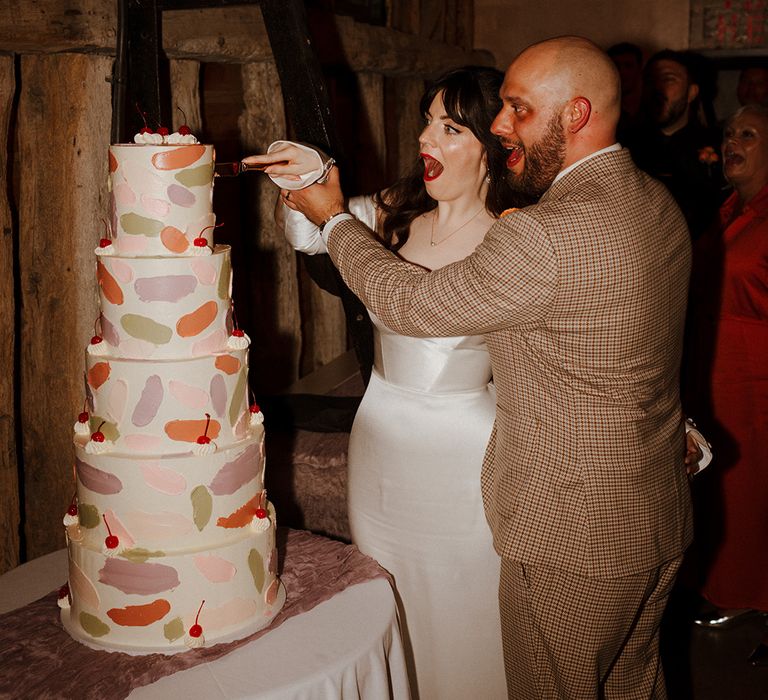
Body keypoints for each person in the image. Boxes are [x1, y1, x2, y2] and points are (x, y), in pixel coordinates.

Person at [276, 36, 694, 698]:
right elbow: (623, 347)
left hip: (570, 537)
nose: (501, 127)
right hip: (654, 518)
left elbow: (408, 302)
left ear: (577, 114)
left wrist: (332, 220)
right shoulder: (655, 204)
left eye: (518, 110)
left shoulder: (540, 234)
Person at [249, 66, 525, 699]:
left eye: (451, 127)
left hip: (463, 458)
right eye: (427, 122)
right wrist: (312, 176)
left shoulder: (515, 240)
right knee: (385, 599)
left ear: (491, 147)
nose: (427, 139)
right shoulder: (395, 215)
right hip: (378, 443)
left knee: (462, 610)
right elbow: (313, 232)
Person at [683, 105, 768, 661]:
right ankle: (733, 590)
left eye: (748, 134)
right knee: (730, 495)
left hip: (758, 380)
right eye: (728, 132)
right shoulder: (728, 208)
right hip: (715, 375)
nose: (731, 141)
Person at [626, 49, 725, 240]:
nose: (657, 89)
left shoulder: (716, 144)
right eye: (650, 81)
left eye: (668, 79)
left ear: (691, 92)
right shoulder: (627, 145)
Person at [607, 41, 644, 142]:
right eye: (617, 66)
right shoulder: (605, 112)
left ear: (639, 69)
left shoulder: (653, 109)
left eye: (628, 65)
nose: (622, 72)